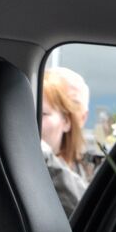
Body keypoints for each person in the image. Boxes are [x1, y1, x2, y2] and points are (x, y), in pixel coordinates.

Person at [40, 68, 91, 217]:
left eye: (42, 114)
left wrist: (44, 157)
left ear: (66, 121)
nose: (32, 121)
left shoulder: (91, 165)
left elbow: (90, 212)